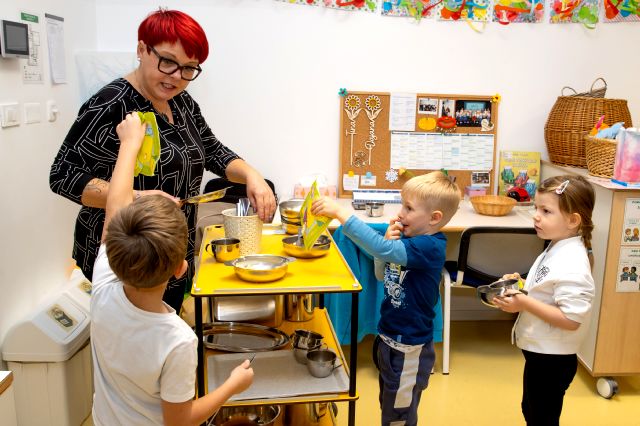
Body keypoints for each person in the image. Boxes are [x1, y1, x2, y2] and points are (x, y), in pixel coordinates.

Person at [49, 8, 276, 312]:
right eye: (168, 62)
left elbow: (212, 150)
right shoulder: (110, 104)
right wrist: (137, 197)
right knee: (136, 336)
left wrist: (251, 175)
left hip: (170, 251)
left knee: (165, 329)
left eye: (189, 68)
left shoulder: (181, 102)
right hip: (125, 257)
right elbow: (62, 176)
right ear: (142, 49)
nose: (177, 77)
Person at [91, 112, 253, 425]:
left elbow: (115, 207)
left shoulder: (103, 289)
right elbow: (179, 420)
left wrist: (130, 144)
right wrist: (233, 385)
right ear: (181, 269)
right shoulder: (177, 340)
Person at [311, 171, 460, 426]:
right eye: (403, 205)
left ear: (434, 218)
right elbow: (381, 274)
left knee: (399, 414)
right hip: (389, 339)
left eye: (409, 208)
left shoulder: (430, 246)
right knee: (390, 405)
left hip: (409, 347)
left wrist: (341, 213)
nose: (400, 213)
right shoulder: (409, 240)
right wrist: (386, 248)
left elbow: (383, 249)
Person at [493, 175, 596, 426]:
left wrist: (523, 303)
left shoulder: (572, 262)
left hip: (553, 358)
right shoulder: (557, 245)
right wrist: (520, 284)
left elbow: (571, 319)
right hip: (542, 352)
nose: (536, 216)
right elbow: (547, 288)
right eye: (536, 208)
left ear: (573, 220)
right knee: (531, 409)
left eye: (546, 211)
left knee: (541, 417)